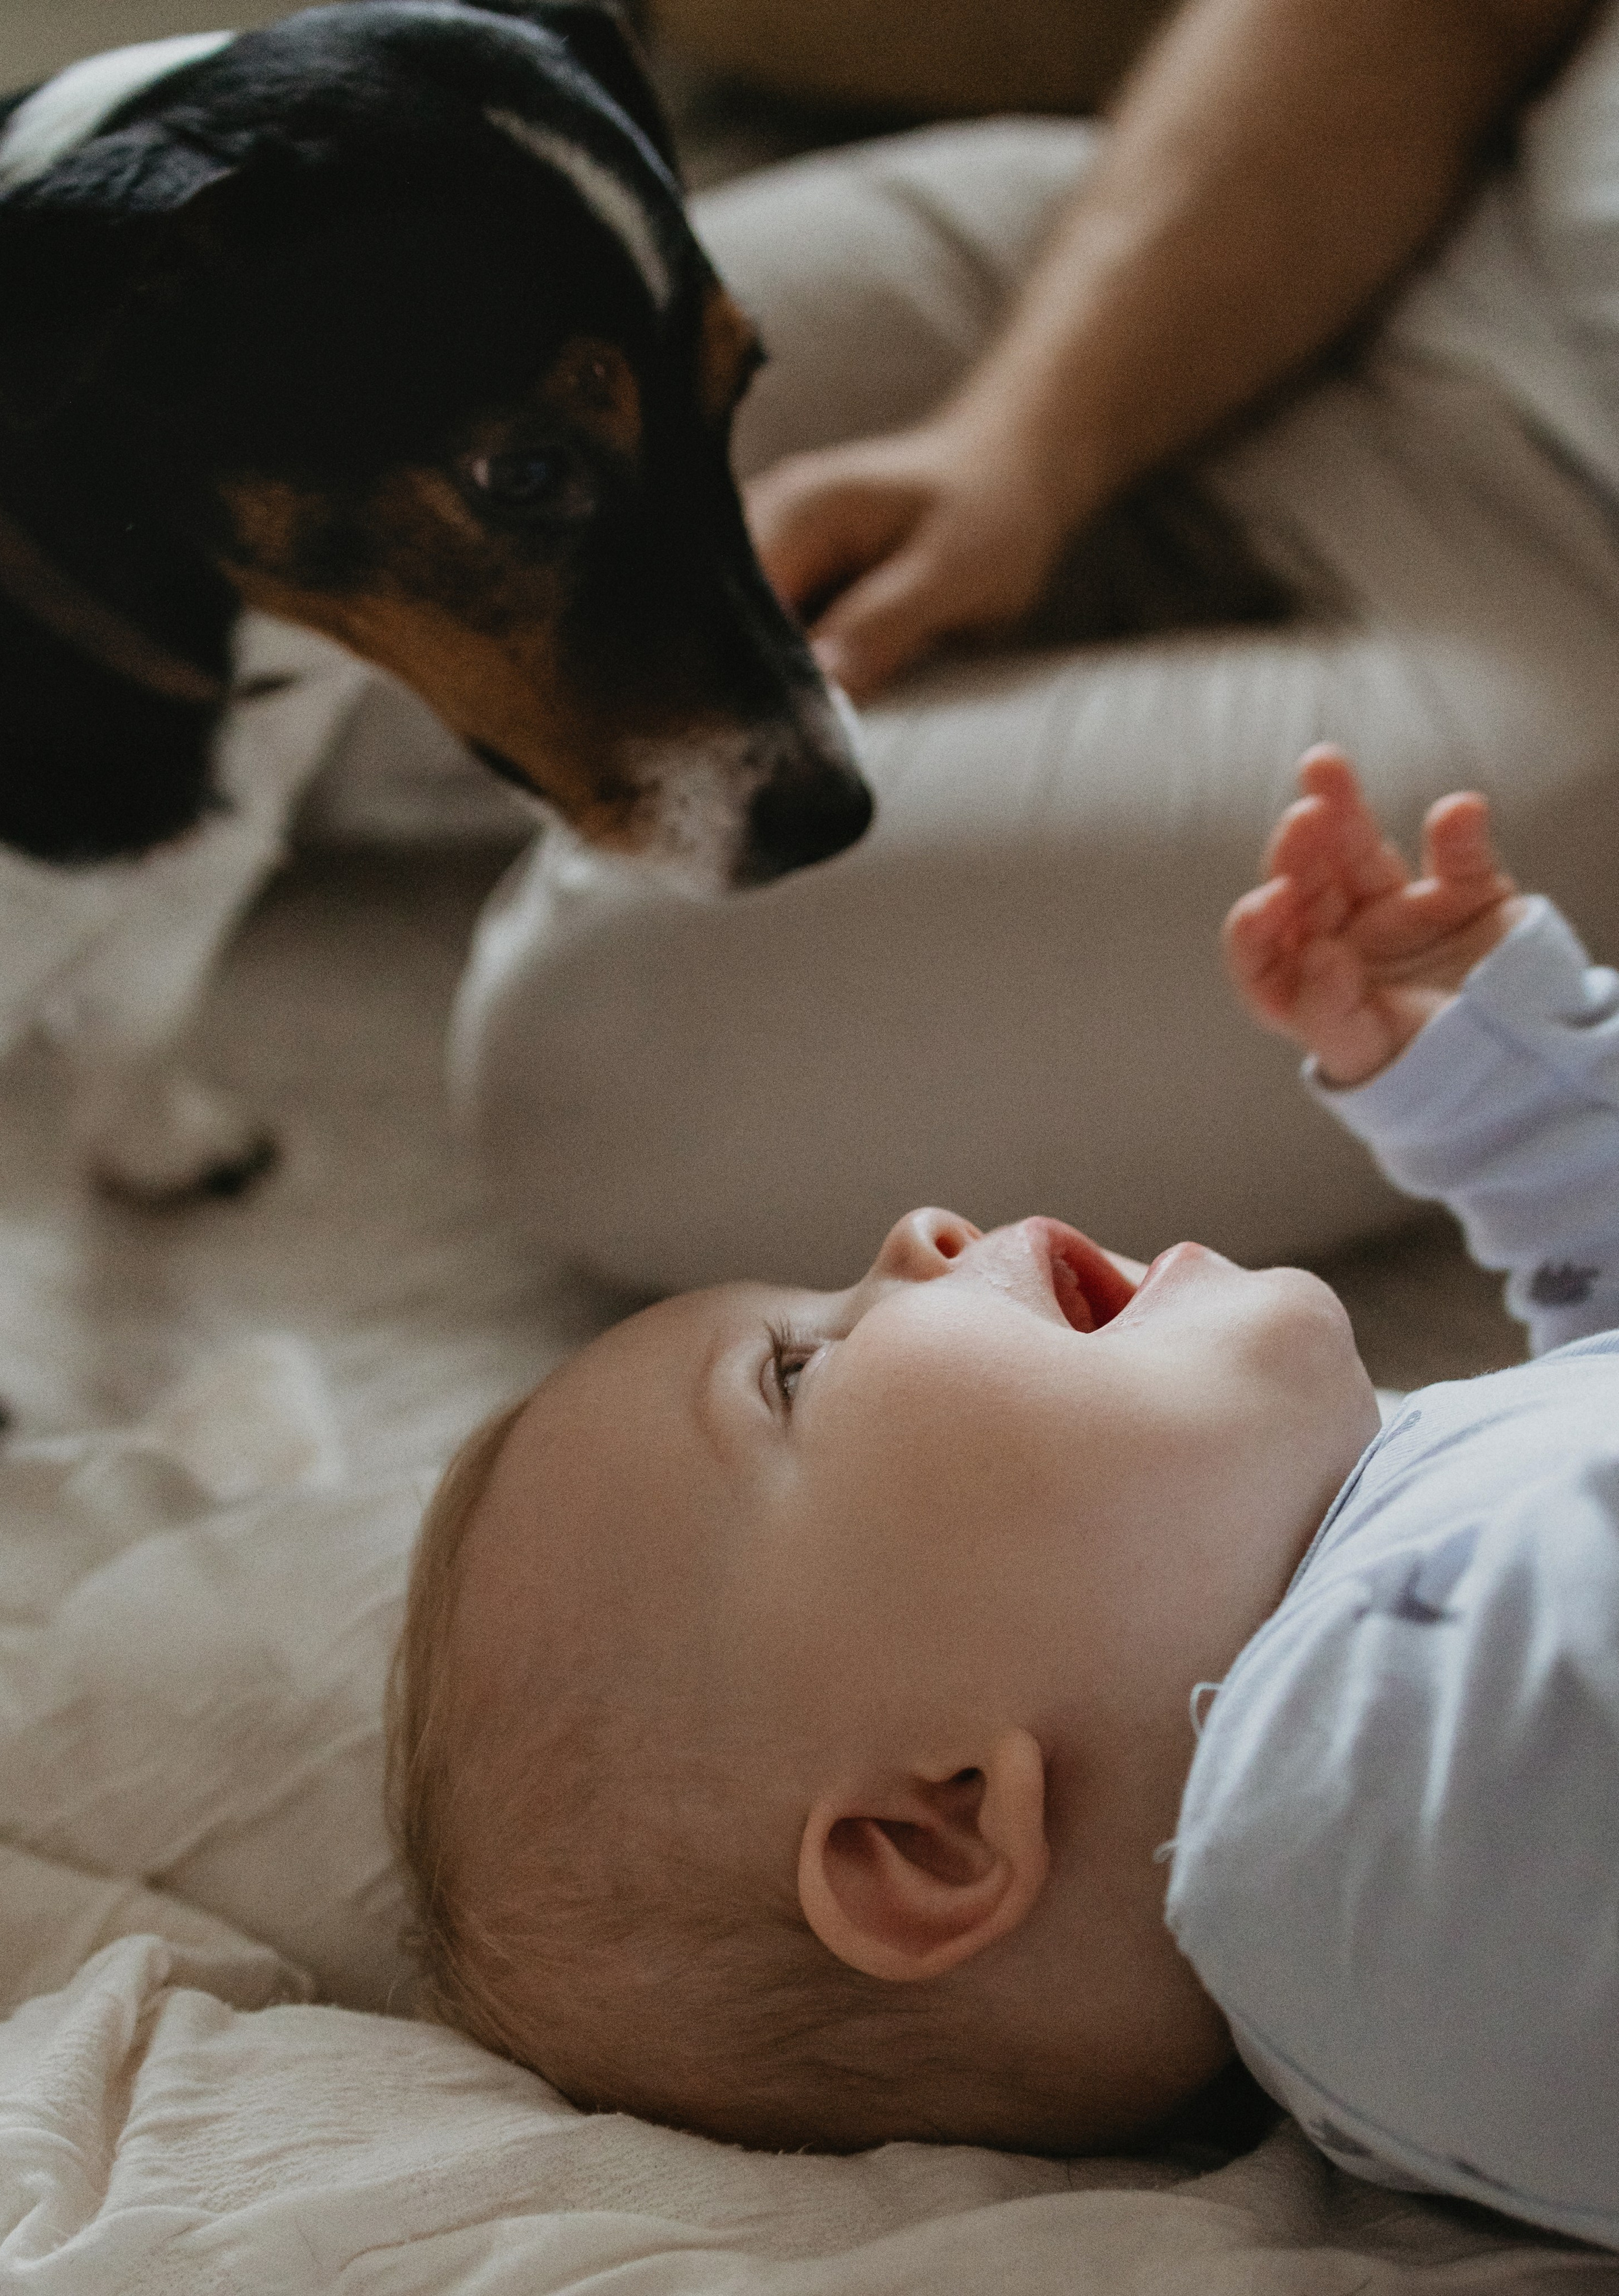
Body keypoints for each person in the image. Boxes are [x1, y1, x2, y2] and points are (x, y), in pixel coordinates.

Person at [395, 746, 1619, 2249]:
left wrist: (1506, 1104)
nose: (915, 1230)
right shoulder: (1349, 1855)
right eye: (792, 1371)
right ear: (937, 1830)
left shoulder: (1379, 1595)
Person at [450, 0, 1619, 1295]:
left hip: (1579, 610)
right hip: (1397, 211)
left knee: (607, 1047)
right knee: (386, 459)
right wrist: (1017, 446)